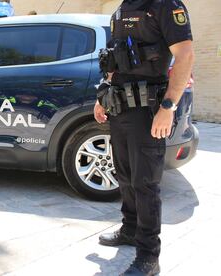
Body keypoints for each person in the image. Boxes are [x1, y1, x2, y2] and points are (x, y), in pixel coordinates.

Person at [94, 0, 194, 275]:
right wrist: (102, 95)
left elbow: (185, 55)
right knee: (124, 175)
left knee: (145, 183)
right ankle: (129, 230)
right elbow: (114, 60)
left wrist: (168, 107)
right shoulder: (122, 9)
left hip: (149, 111)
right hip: (120, 108)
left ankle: (149, 257)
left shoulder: (164, 5)